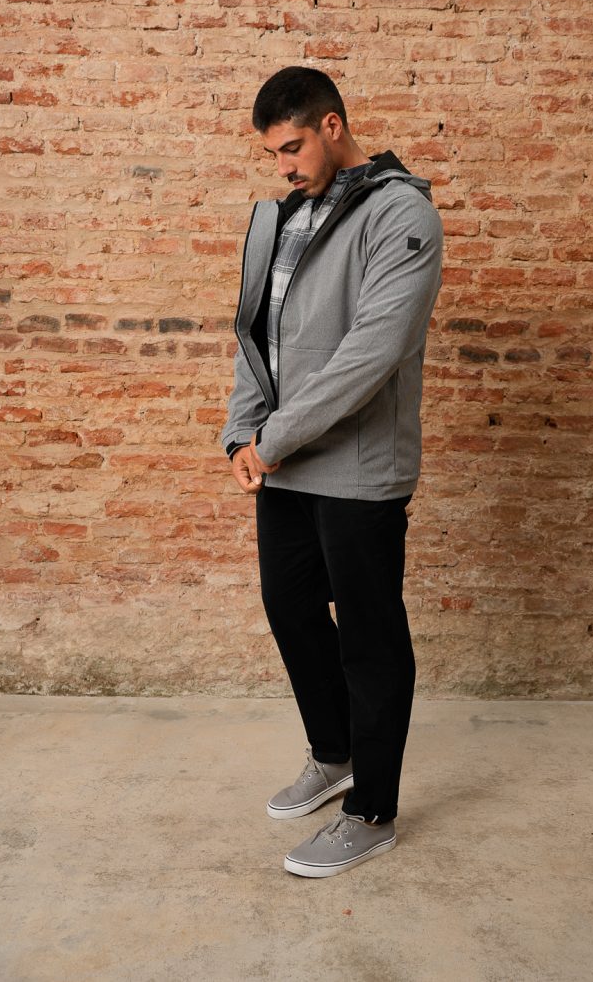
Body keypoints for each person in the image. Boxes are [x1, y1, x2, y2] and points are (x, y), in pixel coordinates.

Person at [221, 66, 443, 877]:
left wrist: (273, 438)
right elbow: (258, 337)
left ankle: (372, 810)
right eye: (272, 154)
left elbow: (371, 354)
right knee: (290, 606)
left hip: (360, 468)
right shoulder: (281, 216)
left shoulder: (402, 214)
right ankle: (335, 752)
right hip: (284, 462)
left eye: (292, 147)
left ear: (333, 126)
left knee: (371, 638)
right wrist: (240, 434)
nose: (282, 166)